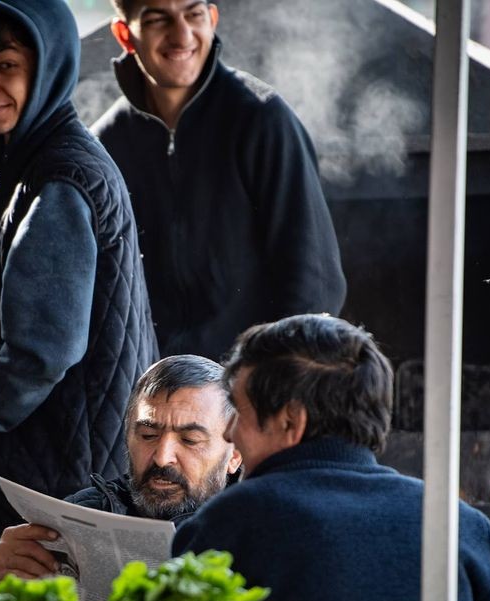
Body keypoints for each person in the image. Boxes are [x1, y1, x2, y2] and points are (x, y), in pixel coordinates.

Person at [0, 0, 158, 599]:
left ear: (46, 69)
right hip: (42, 492)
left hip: (29, 505)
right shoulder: (37, 169)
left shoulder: (59, 181)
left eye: (7, 65)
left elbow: (38, 353)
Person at [171, 314, 490, 601]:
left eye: (239, 412)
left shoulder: (224, 523)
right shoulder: (457, 523)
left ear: (291, 420)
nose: (228, 433)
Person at [92, 0, 346, 359]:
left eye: (193, 14)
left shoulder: (262, 119)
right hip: (147, 396)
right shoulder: (105, 143)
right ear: (124, 34)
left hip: (246, 392)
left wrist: (266, 388)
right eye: (157, 19)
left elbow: (314, 282)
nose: (181, 35)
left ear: (212, 19)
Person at [0, 354, 240, 590]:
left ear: (235, 454)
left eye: (190, 440)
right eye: (148, 435)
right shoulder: (80, 515)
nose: (162, 458)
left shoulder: (256, 527)